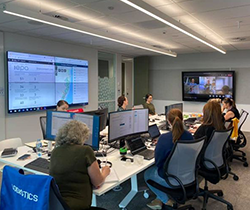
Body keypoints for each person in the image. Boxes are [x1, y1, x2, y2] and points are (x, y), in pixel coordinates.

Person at [50, 120, 110, 210]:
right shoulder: (85, 150)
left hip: (58, 205)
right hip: (78, 206)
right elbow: (97, 182)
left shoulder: (55, 151)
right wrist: (105, 172)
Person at [144, 109, 193, 209]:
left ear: (168, 121)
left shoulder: (164, 138)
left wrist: (160, 146)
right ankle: (159, 198)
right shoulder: (189, 135)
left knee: (147, 174)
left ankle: (166, 200)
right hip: (189, 176)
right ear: (182, 119)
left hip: (172, 180)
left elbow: (158, 163)